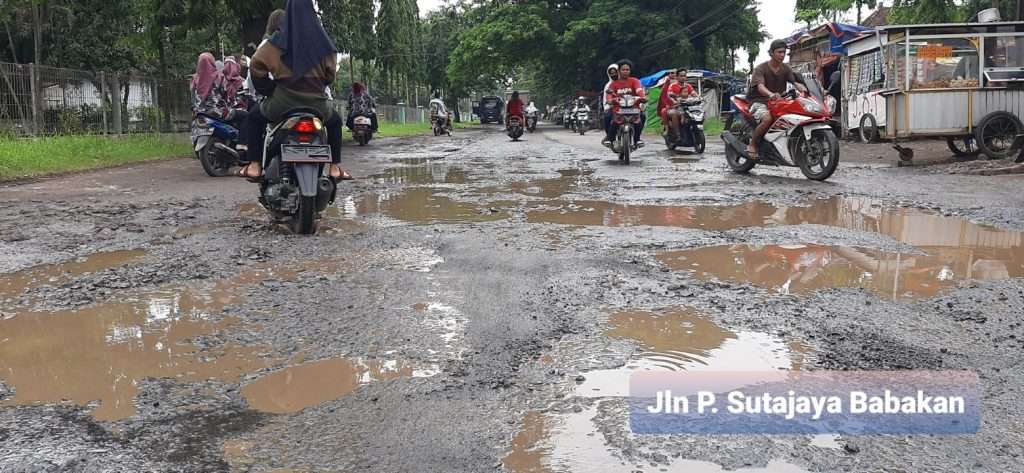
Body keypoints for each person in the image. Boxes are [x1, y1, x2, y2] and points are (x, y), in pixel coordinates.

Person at [240, 0, 347, 180]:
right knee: (335, 122)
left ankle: (255, 166)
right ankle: (335, 168)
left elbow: (256, 66)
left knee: (254, 117)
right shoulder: (324, 44)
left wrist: (269, 88)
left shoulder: (276, 42)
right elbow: (330, 75)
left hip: (283, 103)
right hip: (317, 104)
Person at [746, 39, 807, 159]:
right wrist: (770, 94)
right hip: (759, 101)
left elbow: (795, 82)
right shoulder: (760, 69)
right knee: (768, 118)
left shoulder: (785, 68)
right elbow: (760, 86)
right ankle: (752, 144)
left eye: (784, 52)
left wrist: (803, 88)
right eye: (779, 52)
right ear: (771, 53)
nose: (782, 55)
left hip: (778, 102)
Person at [604, 59, 646, 146]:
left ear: (630, 71)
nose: (625, 72)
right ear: (619, 71)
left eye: (627, 70)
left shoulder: (635, 81)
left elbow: (639, 90)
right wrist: (610, 100)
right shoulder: (613, 84)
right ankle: (610, 138)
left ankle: (637, 139)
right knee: (612, 120)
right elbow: (609, 95)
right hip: (618, 108)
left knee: (641, 117)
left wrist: (642, 97)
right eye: (623, 70)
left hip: (633, 107)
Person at [601, 63, 618, 133]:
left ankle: (637, 137)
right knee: (607, 117)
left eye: (615, 72)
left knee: (641, 116)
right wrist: (607, 107)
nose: (614, 75)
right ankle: (609, 136)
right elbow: (605, 98)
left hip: (627, 106)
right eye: (612, 73)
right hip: (613, 106)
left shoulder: (627, 81)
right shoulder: (608, 85)